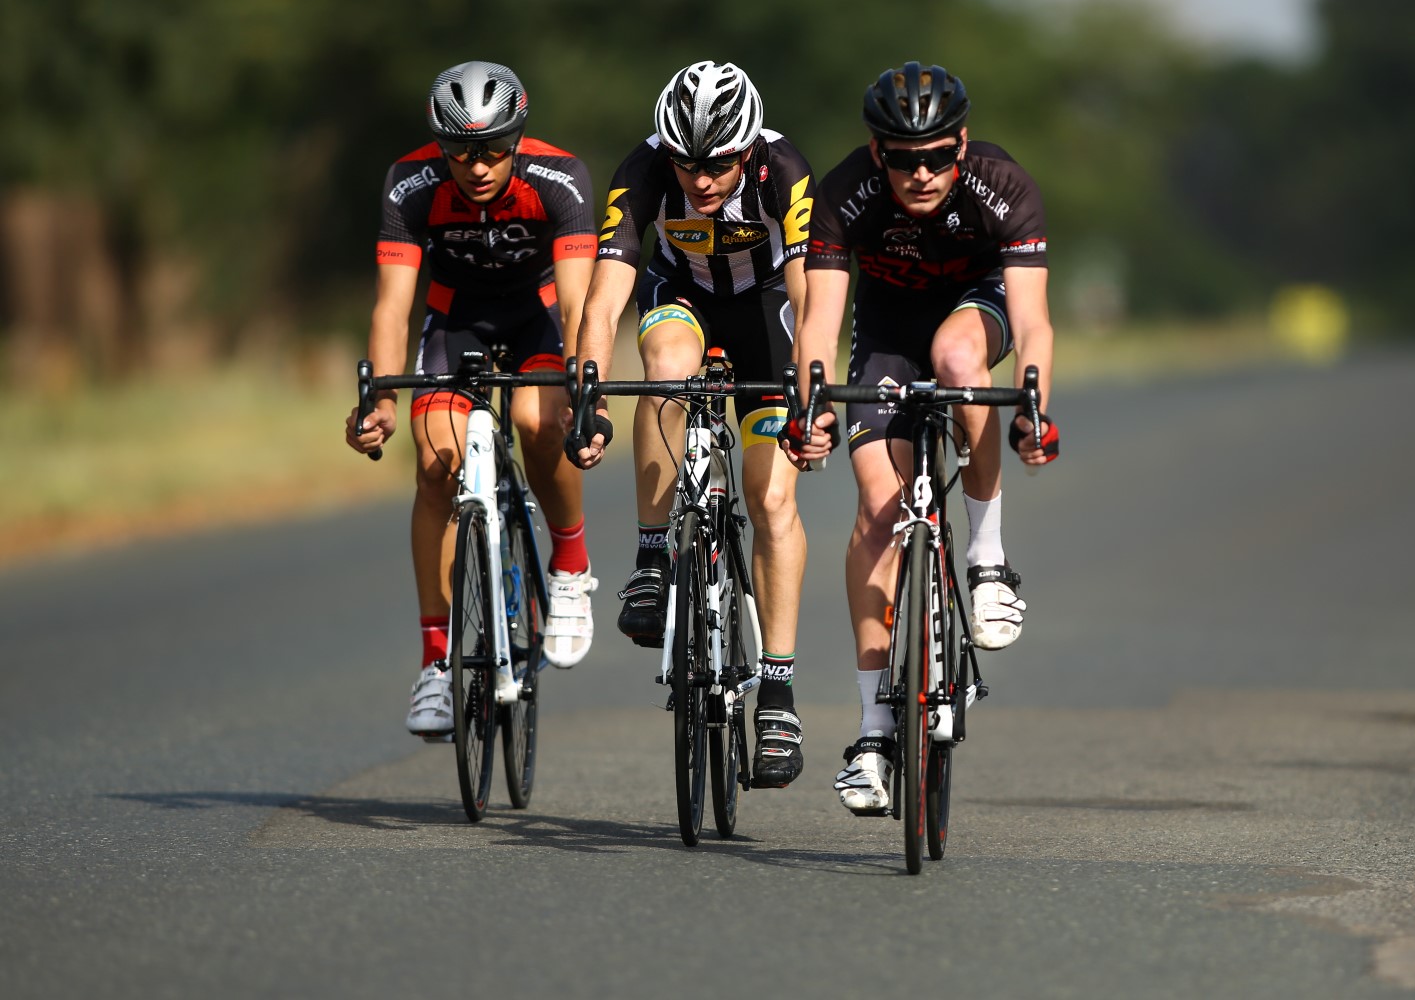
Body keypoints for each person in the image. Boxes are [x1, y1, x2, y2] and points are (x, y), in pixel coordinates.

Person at [785, 60, 1061, 814]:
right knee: (879, 510)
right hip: (887, 329)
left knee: (957, 359)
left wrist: (1033, 409)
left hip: (976, 310)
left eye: (938, 156)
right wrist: (811, 408)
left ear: (961, 144)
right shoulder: (845, 192)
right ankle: (874, 731)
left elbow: (1034, 324)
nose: (923, 174)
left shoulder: (1003, 185)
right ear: (878, 152)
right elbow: (818, 324)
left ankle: (987, 558)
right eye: (905, 159)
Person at [569, 60, 816, 788]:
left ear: (749, 149)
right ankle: (652, 561)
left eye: (719, 164)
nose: (702, 180)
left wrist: (812, 391)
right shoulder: (642, 170)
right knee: (667, 369)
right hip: (680, 295)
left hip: (765, 312)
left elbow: (808, 293)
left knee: (772, 500)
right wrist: (587, 396)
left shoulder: (783, 170)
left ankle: (778, 695)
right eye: (687, 164)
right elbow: (603, 300)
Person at [345, 60, 600, 739]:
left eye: (493, 149)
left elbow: (577, 303)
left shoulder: (560, 177)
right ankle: (435, 664)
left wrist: (583, 392)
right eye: (460, 151)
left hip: (539, 316)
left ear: (518, 138)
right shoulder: (411, 183)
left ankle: (570, 566)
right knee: (435, 465)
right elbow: (392, 306)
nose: (478, 166)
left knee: (536, 420)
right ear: (440, 146)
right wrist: (380, 400)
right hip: (455, 321)